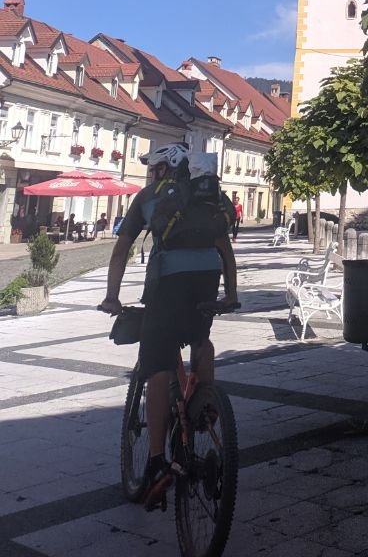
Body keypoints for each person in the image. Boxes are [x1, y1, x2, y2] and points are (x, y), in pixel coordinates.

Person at [98, 143, 238, 511]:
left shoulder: (150, 197)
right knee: (200, 338)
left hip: (168, 285)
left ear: (163, 169)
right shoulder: (208, 201)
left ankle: (157, 461)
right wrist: (230, 295)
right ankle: (205, 406)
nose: (149, 174)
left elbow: (121, 251)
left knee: (158, 366)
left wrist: (112, 296)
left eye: (152, 168)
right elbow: (225, 250)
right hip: (207, 280)